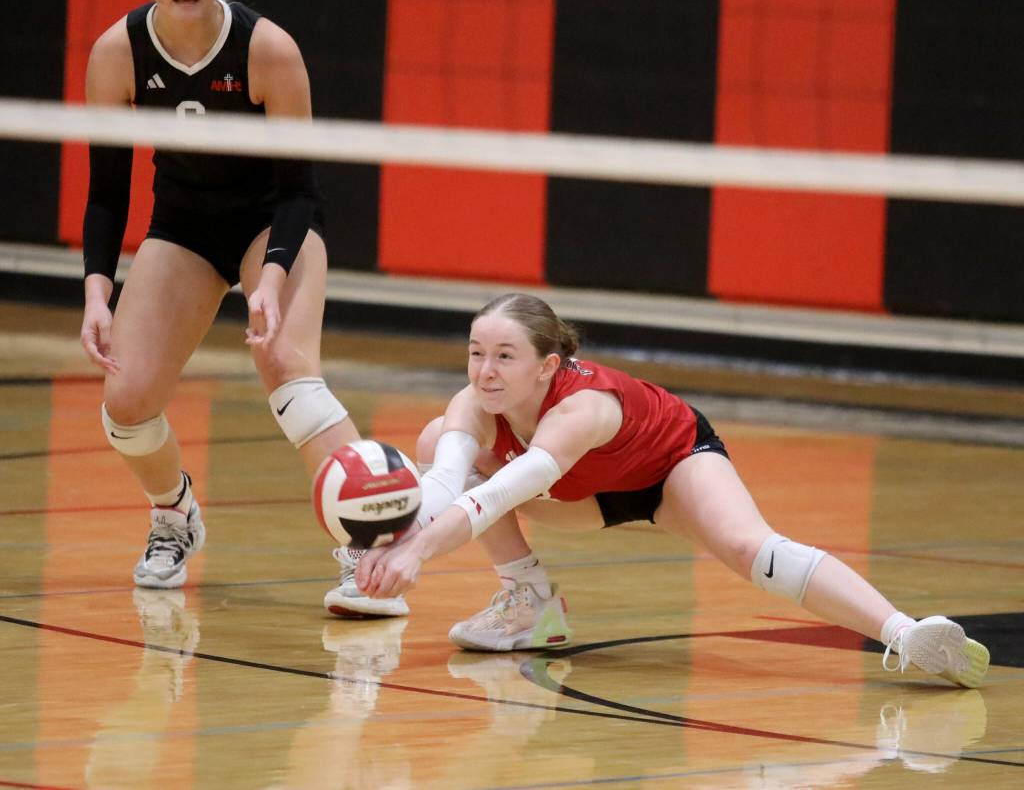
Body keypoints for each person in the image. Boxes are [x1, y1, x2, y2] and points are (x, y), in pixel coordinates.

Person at [353, 293, 990, 688]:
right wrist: (393, 542)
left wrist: (415, 556)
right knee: (441, 442)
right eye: (476, 353)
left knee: (752, 551)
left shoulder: (583, 409)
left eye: (505, 356)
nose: (485, 371)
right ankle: (530, 603)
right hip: (587, 498)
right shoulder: (475, 401)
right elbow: (441, 483)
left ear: (548, 365)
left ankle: (907, 636)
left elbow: (498, 496)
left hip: (670, 467)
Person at [78, 0, 385, 615]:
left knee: (286, 365)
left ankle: (367, 547)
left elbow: (300, 191)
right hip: (184, 228)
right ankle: (173, 514)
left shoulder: (268, 49)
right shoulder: (117, 51)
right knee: (125, 399)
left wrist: (271, 278)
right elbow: (104, 194)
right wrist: (97, 293)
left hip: (271, 225)